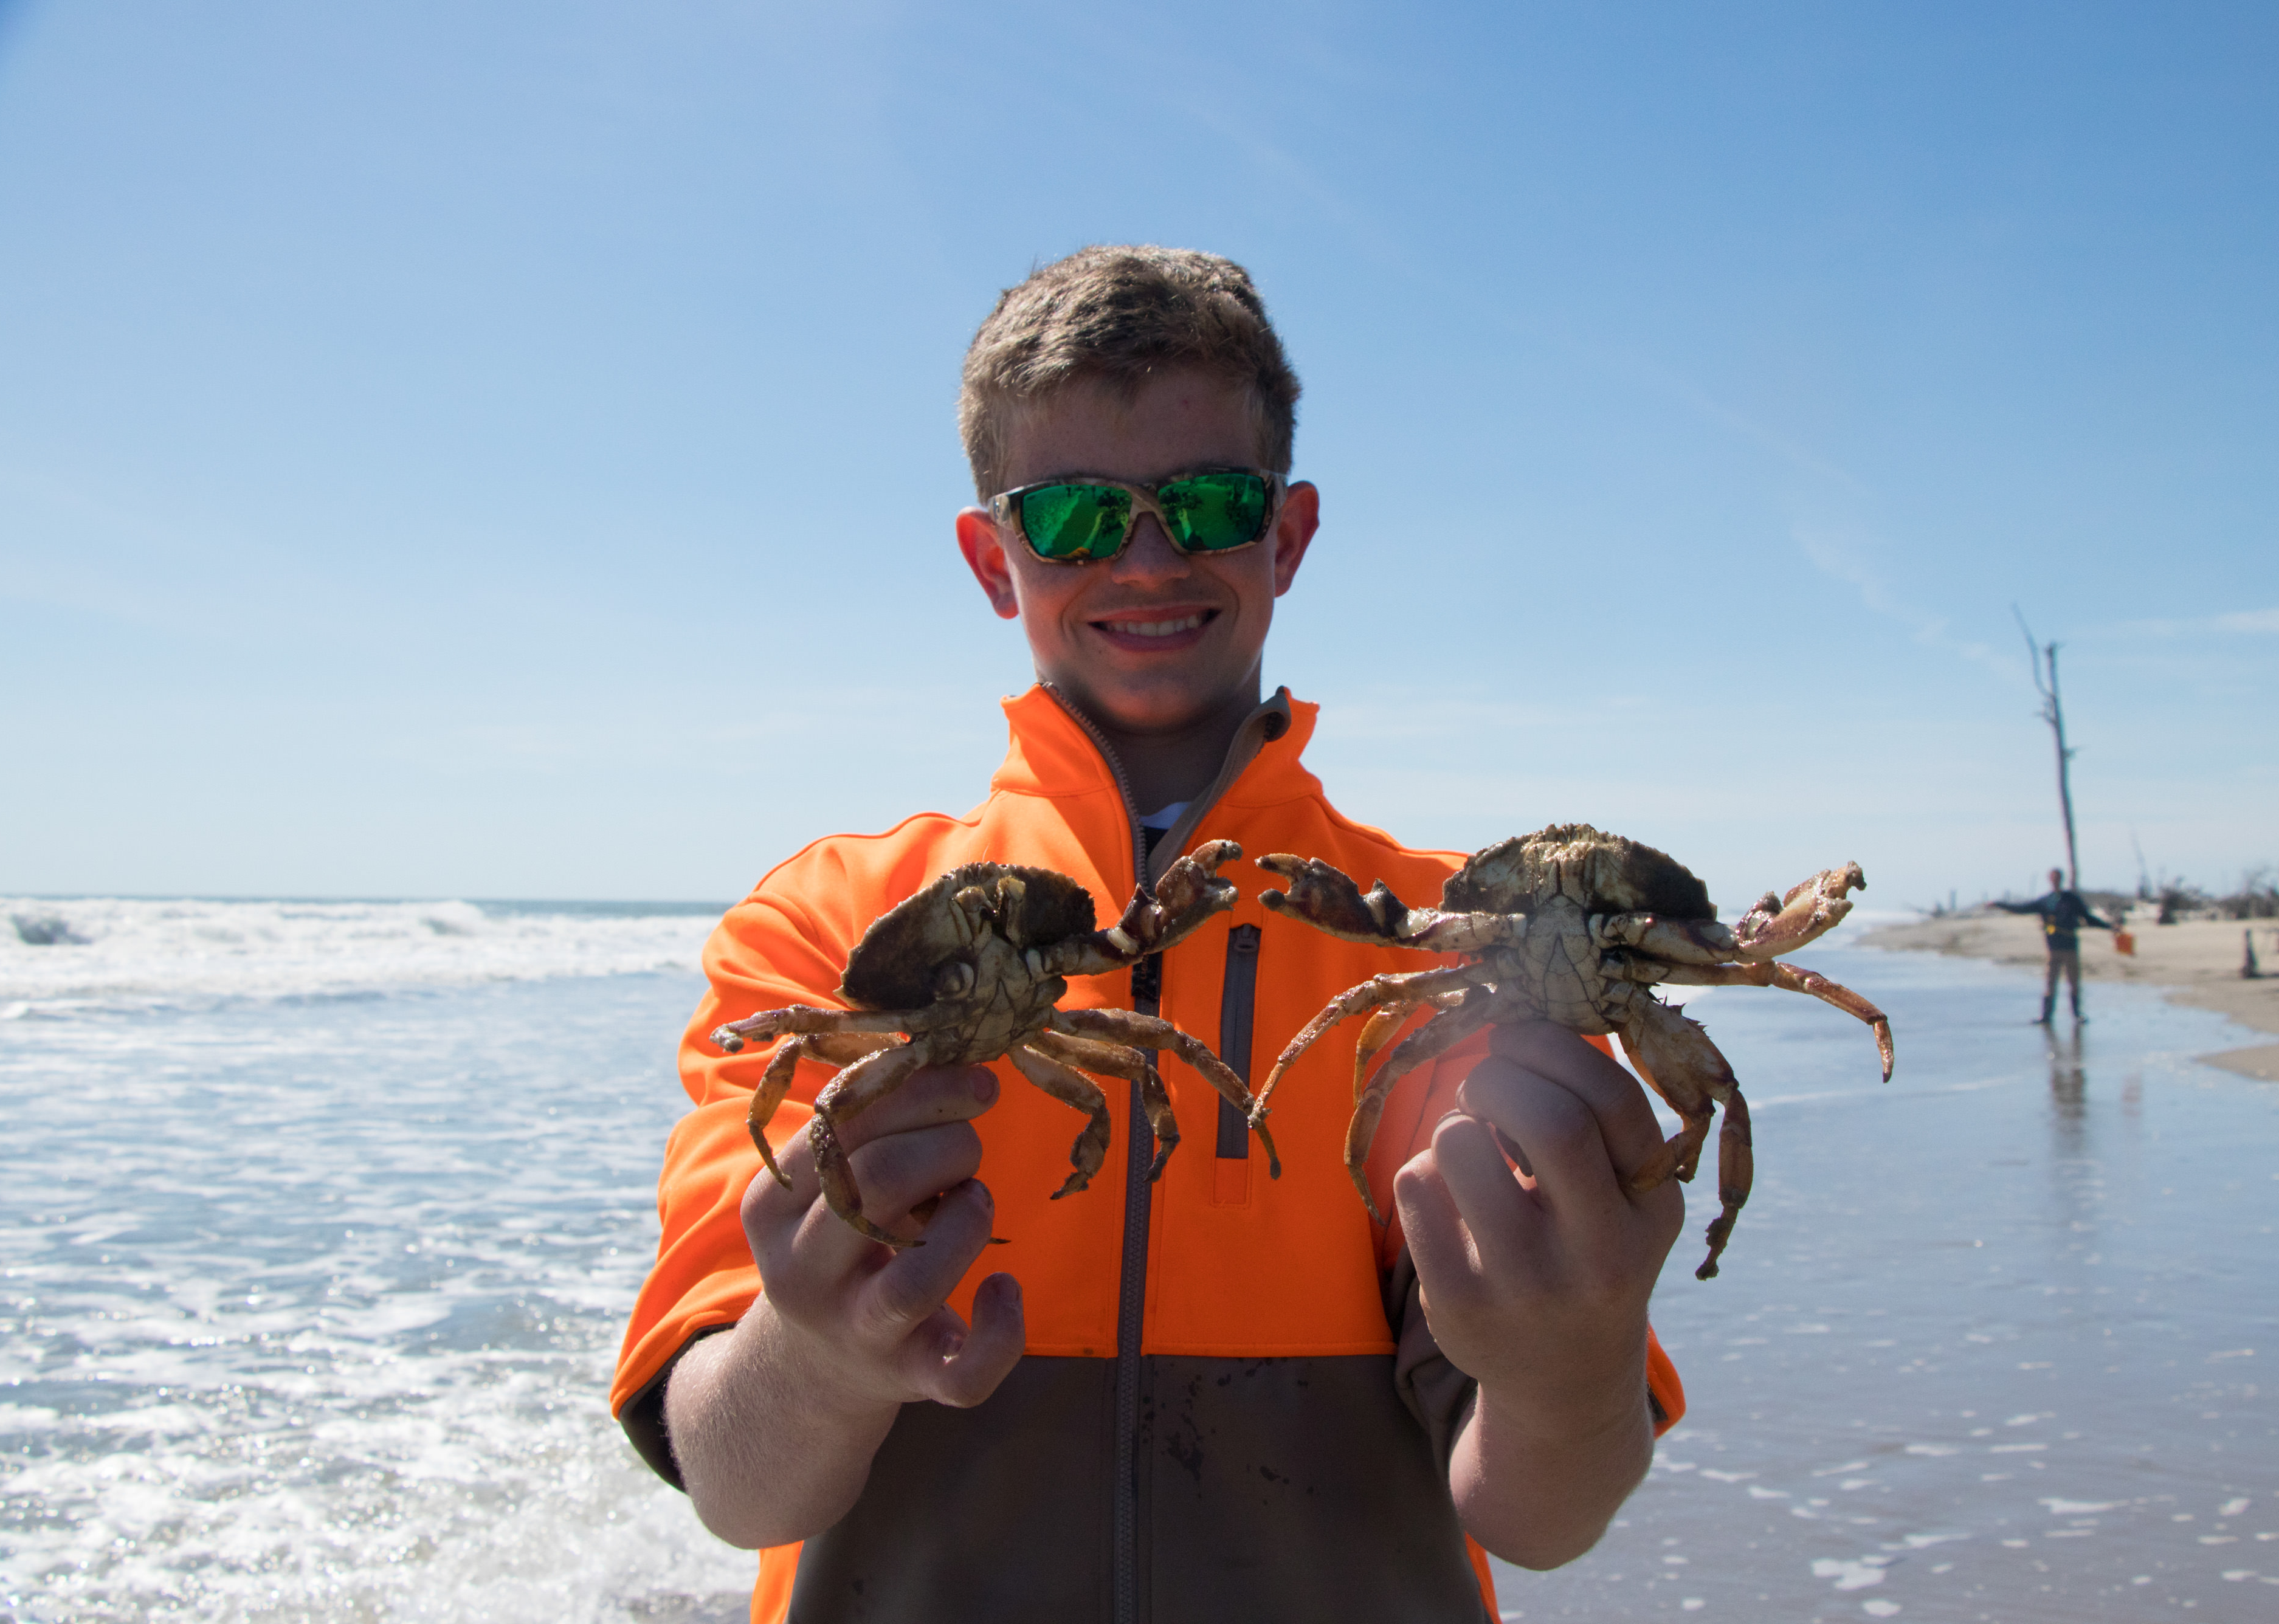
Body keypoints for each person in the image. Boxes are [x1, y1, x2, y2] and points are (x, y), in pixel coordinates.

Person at [609, 247, 1688, 1624]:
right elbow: (738, 1484)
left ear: (1285, 533)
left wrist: (1573, 1361)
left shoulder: (1442, 945)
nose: (1145, 556)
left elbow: (1542, 1516)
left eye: (1207, 502)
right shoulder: (821, 926)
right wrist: (817, 1355)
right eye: (1070, 515)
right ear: (992, 558)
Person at [1994, 867, 2116, 1024]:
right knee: (2050, 983)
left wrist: (2109, 927)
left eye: (2058, 878)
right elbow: (2022, 909)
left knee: (2073, 982)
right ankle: (2046, 1016)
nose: (2055, 880)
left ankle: (2077, 1014)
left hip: (2070, 948)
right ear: (2050, 880)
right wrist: (1999, 905)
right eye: (2053, 878)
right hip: (2053, 949)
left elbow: (2088, 918)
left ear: (2061, 879)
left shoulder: (2071, 899)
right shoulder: (2045, 901)